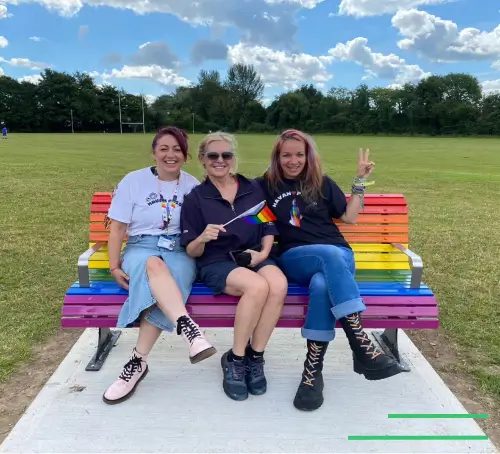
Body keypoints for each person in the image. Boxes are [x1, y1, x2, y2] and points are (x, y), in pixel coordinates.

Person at [257, 129, 403, 412]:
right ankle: (360, 343)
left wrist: (359, 180)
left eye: (299, 154)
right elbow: (239, 203)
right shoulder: (265, 185)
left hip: (339, 257)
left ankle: (312, 373)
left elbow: (348, 217)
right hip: (295, 258)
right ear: (277, 157)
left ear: (308, 156)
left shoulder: (321, 183)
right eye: (286, 155)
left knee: (323, 283)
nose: (293, 160)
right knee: (327, 256)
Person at [102, 126, 217, 405]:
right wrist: (115, 266)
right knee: (153, 266)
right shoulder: (134, 181)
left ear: (186, 155)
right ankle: (190, 330)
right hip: (141, 247)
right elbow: (117, 228)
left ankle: (137, 362)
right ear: (154, 152)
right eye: (164, 148)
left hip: (179, 249)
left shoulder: (192, 186)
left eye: (177, 149)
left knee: (164, 289)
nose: (170, 154)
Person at [180, 132, 288, 402]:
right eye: (212, 155)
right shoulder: (197, 198)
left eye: (226, 155)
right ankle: (236, 360)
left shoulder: (252, 188)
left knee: (278, 285)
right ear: (203, 160)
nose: (220, 160)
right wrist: (202, 237)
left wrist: (263, 254)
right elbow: (191, 249)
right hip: (217, 261)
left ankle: (256, 356)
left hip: (254, 255)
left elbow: (266, 225)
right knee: (256, 286)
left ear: (233, 159)